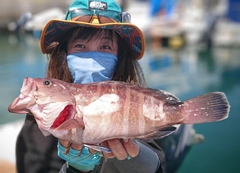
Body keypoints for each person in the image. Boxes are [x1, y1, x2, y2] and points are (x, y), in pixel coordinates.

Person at [16, 0, 167, 173]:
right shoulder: (39, 121)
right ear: (63, 55)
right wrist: (74, 170)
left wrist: (137, 160)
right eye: (80, 46)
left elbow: (160, 165)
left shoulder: (140, 108)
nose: (92, 58)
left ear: (121, 57)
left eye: (105, 46)